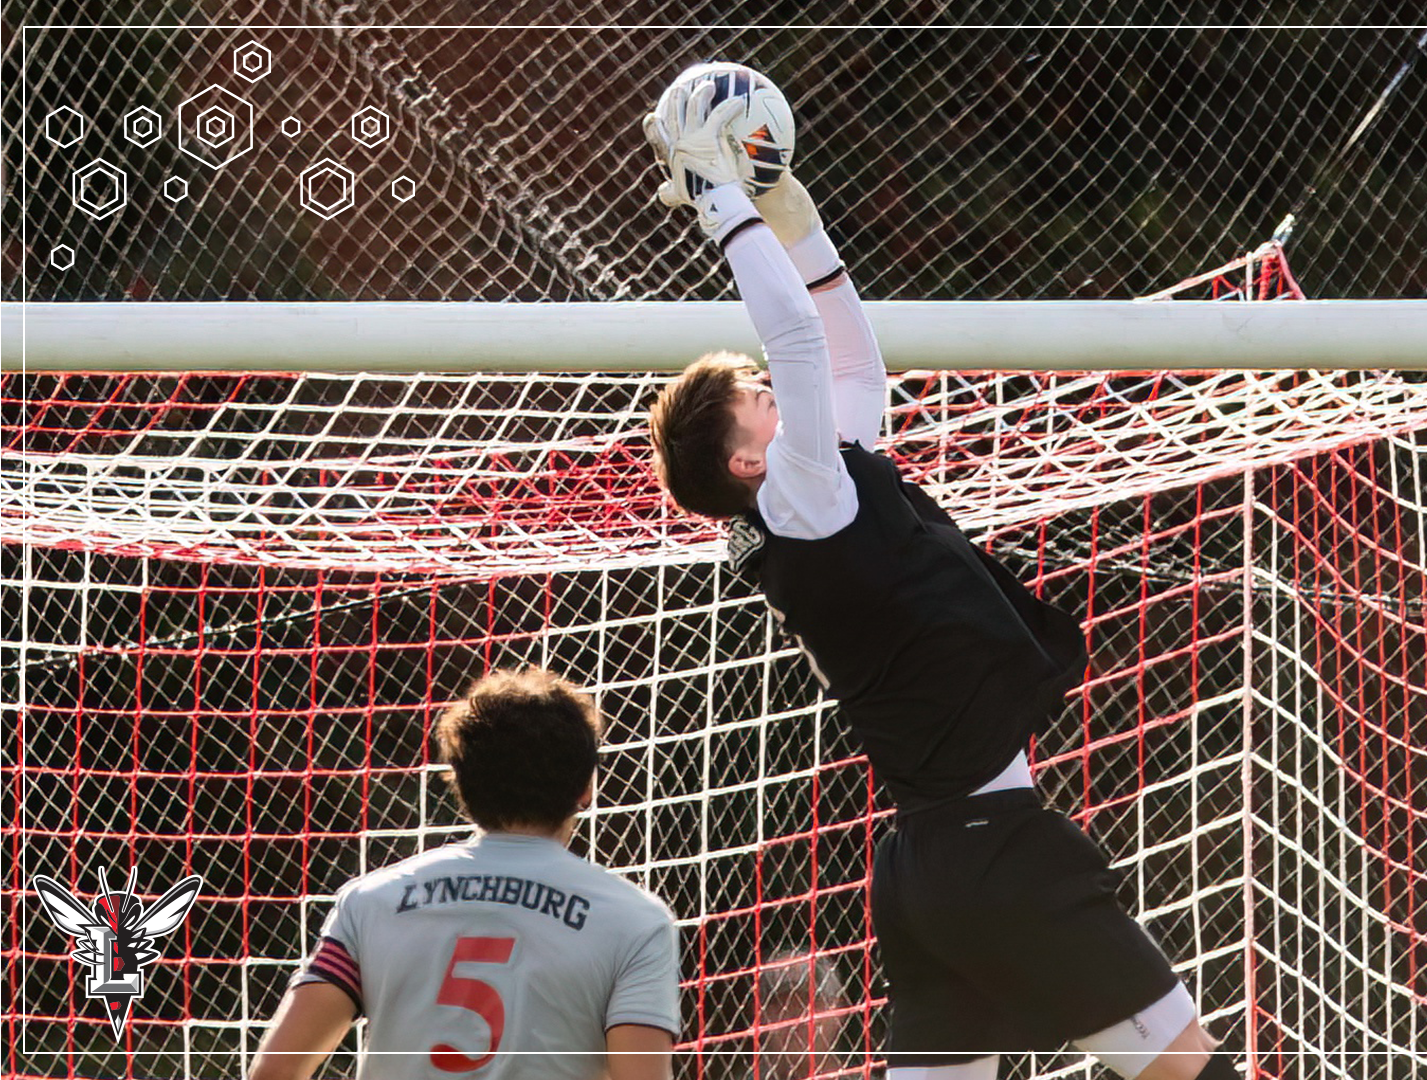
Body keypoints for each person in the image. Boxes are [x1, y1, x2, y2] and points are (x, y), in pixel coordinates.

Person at [643, 72, 1233, 1080]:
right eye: (756, 398)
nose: (775, 390)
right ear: (746, 461)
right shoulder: (801, 502)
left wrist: (795, 215)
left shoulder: (824, 499)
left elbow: (852, 365)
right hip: (995, 855)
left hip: (928, 867)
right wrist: (719, 197)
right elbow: (791, 338)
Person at [249, 667, 679, 1080]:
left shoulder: (372, 901)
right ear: (587, 786)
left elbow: (276, 1070)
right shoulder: (635, 922)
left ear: (460, 782)